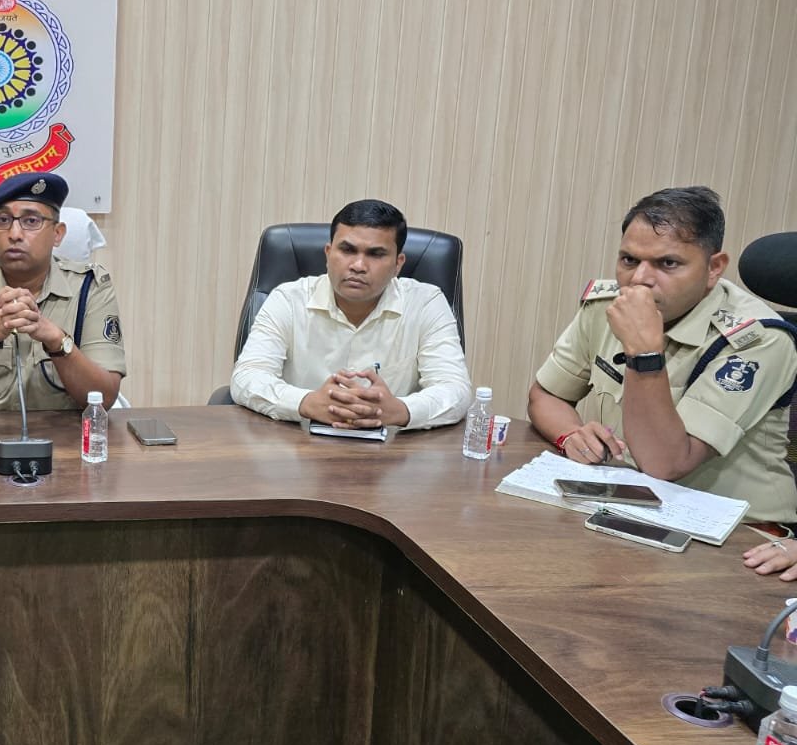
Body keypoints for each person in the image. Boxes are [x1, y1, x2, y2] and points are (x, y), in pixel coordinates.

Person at [527, 186, 797, 574]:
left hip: (737, 542)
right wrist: (570, 435)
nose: (639, 279)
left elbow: (665, 462)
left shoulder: (758, 340)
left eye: (667, 263)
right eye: (629, 259)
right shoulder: (608, 304)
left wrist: (644, 353)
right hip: (631, 510)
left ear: (714, 268)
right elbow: (546, 395)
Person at [229, 199, 472, 430]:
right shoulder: (288, 299)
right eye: (347, 250)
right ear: (328, 253)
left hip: (393, 448)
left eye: (375, 254)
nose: (358, 266)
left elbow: (454, 389)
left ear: (398, 264)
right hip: (296, 441)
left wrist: (401, 410)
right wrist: (306, 403)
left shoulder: (426, 303)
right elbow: (248, 376)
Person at [0, 173, 125, 416]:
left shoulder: (90, 287)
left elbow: (105, 398)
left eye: (31, 221)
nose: (14, 234)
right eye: (2, 220)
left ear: (57, 234)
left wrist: (57, 341)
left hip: (66, 436)